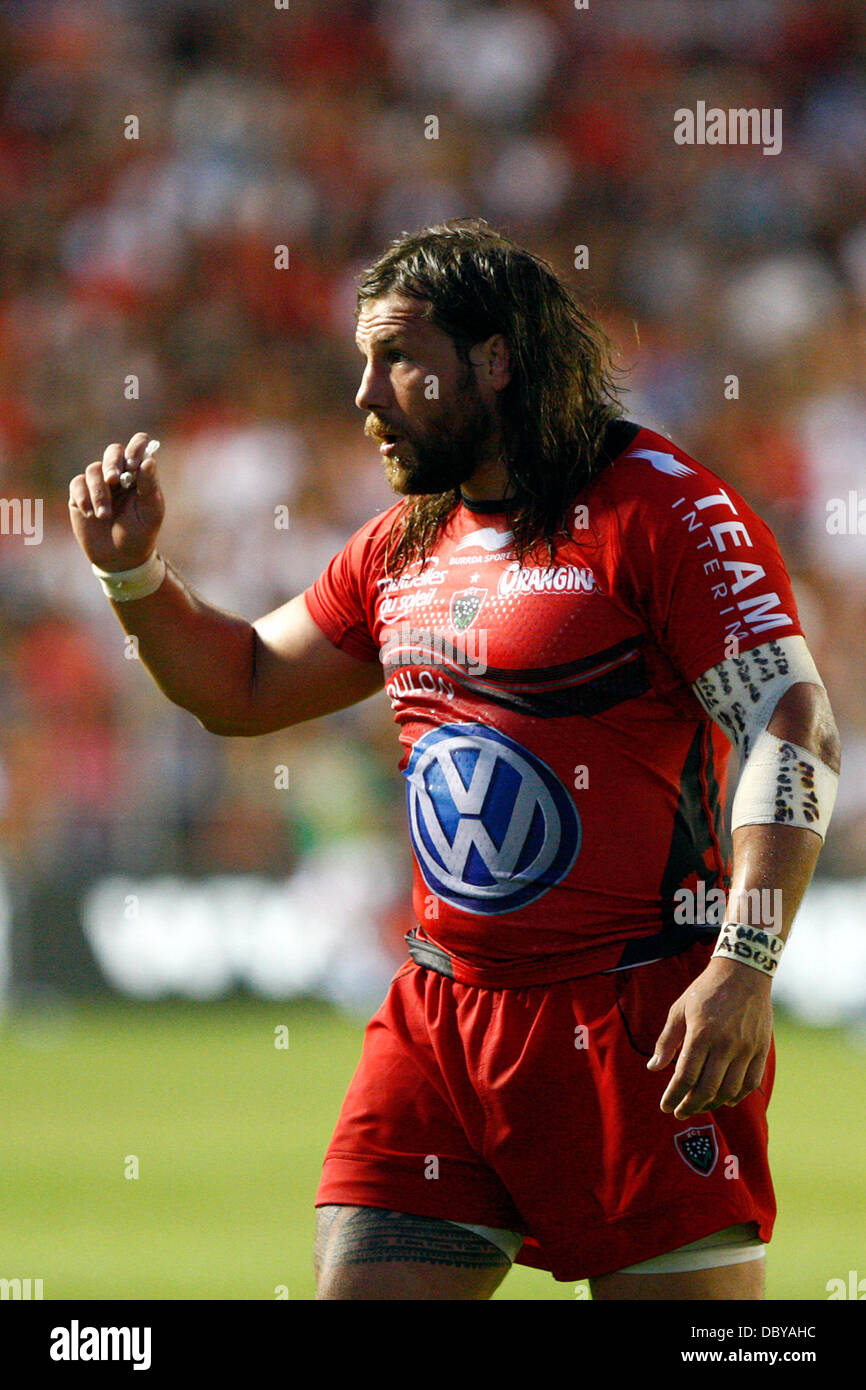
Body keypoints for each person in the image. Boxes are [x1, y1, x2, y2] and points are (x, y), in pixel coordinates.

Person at [69, 220, 840, 1301]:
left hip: (635, 1022)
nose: (363, 394)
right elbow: (241, 686)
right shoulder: (401, 544)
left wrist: (744, 963)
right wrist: (138, 580)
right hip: (445, 1019)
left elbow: (789, 727)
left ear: (493, 360)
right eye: (359, 361)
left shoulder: (661, 509)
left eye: (395, 359)